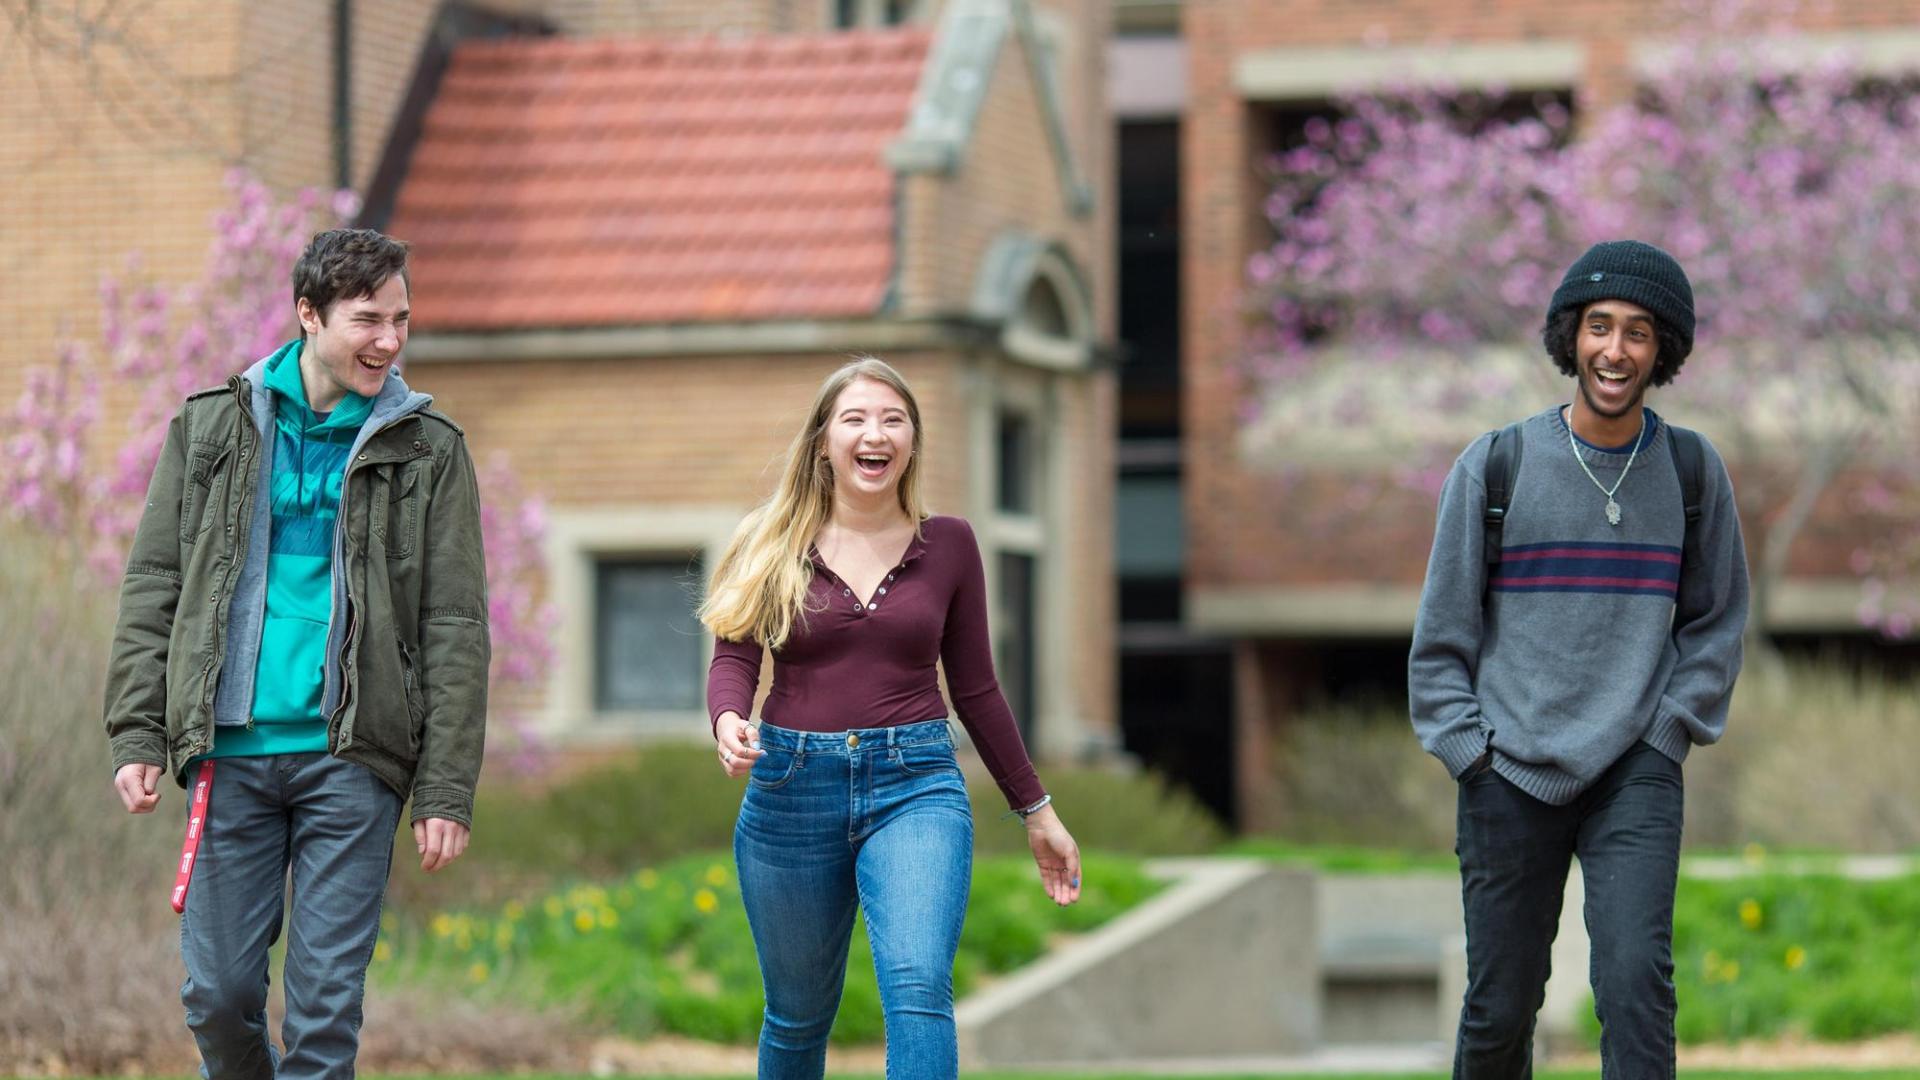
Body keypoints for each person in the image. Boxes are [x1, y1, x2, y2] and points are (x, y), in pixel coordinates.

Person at [102, 228, 491, 1080]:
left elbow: (455, 628)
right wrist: (137, 733)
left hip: (352, 761)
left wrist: (447, 788)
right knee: (217, 994)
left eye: (401, 319)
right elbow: (153, 587)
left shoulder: (430, 451)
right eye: (367, 320)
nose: (389, 340)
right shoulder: (211, 428)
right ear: (307, 315)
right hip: (230, 759)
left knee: (322, 1016)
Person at [1409, 240, 1750, 1075]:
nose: (1616, 350)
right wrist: (1470, 756)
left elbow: (1717, 622)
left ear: (1662, 349)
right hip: (1508, 771)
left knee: (1636, 988)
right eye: (1599, 327)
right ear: (1571, 336)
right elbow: (1441, 639)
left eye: (1639, 332)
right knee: (1501, 1009)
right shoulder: (1496, 466)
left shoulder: (1692, 471)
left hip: (1634, 767)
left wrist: (1668, 733)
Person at [701, 356, 1081, 1080]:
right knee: (797, 1014)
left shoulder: (952, 546)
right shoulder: (769, 539)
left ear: (911, 440)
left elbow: (977, 689)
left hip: (916, 785)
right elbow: (734, 656)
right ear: (823, 442)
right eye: (855, 418)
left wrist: (1036, 808)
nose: (874, 434)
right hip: (790, 787)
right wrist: (727, 719)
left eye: (892, 419)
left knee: (917, 989)